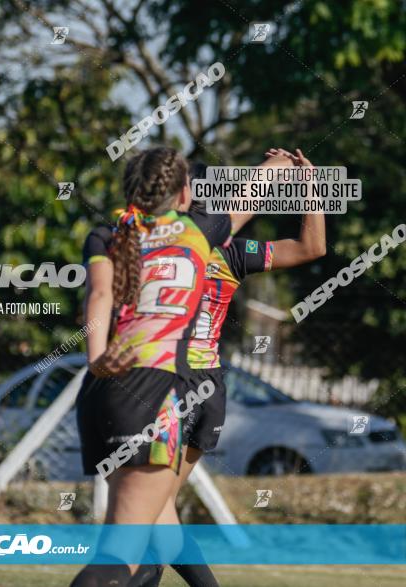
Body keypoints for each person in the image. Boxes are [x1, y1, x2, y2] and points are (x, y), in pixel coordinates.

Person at [71, 146, 289, 586]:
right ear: (185, 194)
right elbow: (244, 202)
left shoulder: (107, 235)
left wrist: (96, 360)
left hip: (99, 393)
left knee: (152, 533)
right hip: (152, 393)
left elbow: (97, 298)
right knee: (120, 552)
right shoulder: (196, 233)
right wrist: (275, 168)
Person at [148, 147, 325, 587]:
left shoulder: (168, 241)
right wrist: (310, 187)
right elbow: (312, 247)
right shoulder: (231, 251)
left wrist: (270, 174)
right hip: (210, 389)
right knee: (155, 511)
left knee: (148, 511)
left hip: (170, 386)